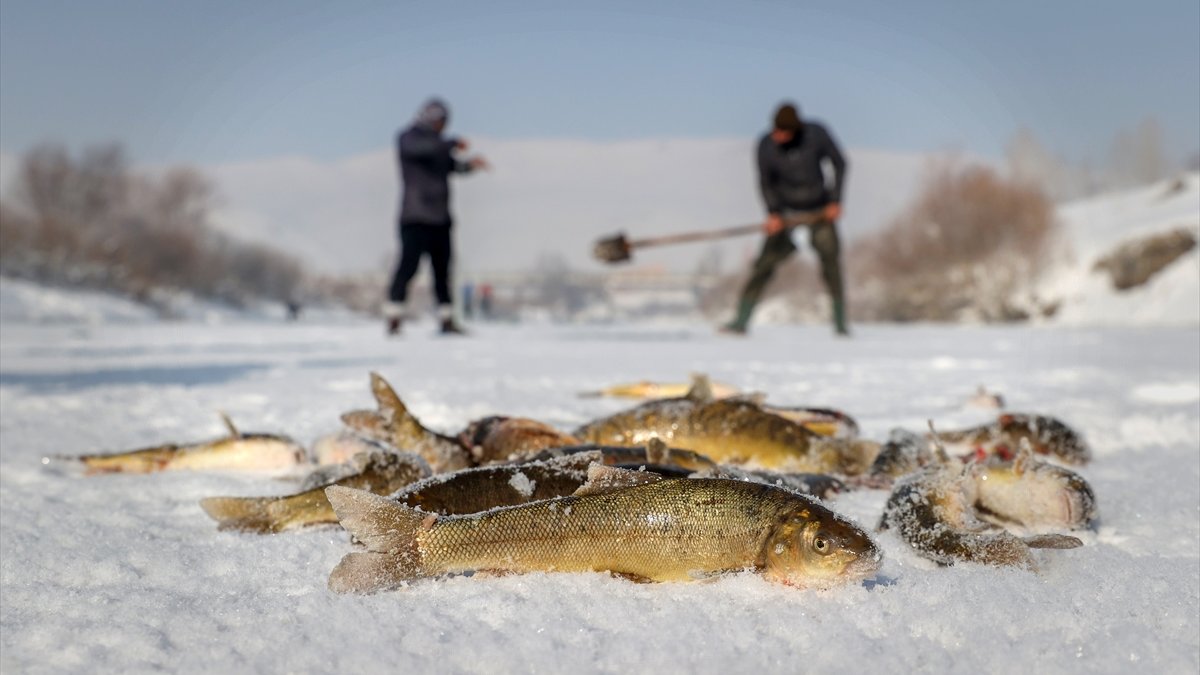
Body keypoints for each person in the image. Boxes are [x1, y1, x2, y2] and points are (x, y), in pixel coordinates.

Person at [722, 102, 849, 336]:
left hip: (819, 209)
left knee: (830, 262)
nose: (778, 136)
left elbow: (839, 164)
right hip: (785, 211)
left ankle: (841, 324)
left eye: (784, 133)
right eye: (776, 131)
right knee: (764, 265)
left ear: (795, 131)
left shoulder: (816, 134)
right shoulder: (766, 144)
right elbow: (765, 181)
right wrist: (773, 213)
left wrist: (835, 201)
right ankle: (741, 320)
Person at [384, 98, 488, 335]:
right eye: (442, 122)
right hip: (415, 217)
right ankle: (393, 316)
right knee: (408, 267)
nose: (444, 127)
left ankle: (446, 319)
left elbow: (453, 166)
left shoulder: (440, 146)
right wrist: (451, 142)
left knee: (443, 271)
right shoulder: (409, 138)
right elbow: (424, 149)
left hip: (440, 218)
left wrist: (471, 165)